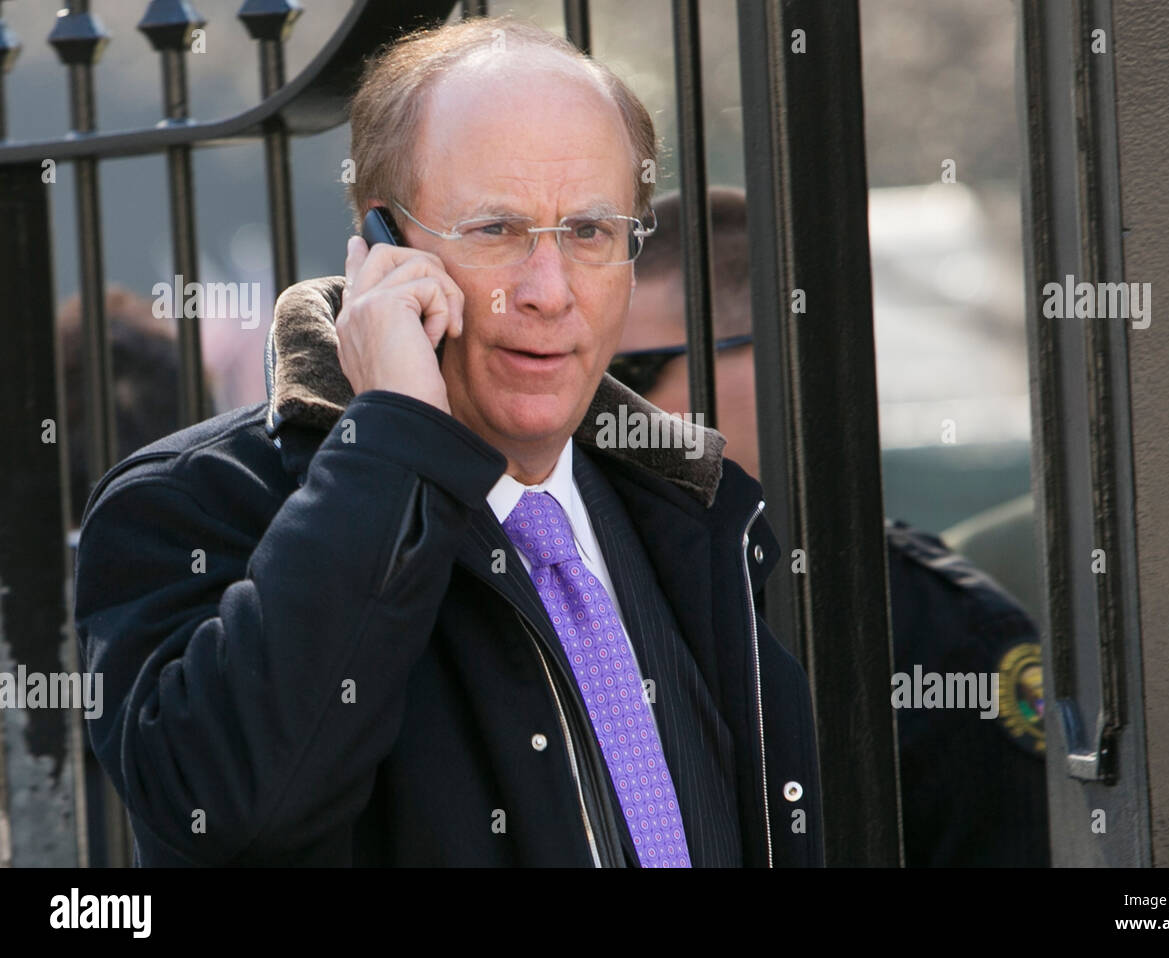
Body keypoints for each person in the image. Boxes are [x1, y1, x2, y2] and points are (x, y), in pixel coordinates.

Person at [73, 16, 823, 867]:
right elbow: (233, 813)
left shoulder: (696, 513)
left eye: (588, 232)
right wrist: (394, 440)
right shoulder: (195, 504)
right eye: (496, 230)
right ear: (383, 248)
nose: (547, 292)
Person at [613, 187, 1048, 866]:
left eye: (625, 375)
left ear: (772, 359)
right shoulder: (574, 589)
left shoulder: (939, 633)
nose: (590, 414)